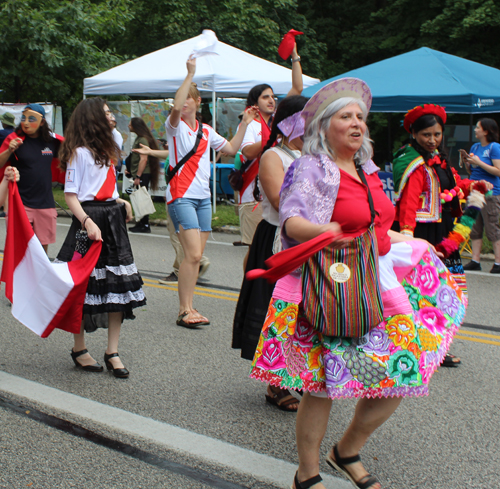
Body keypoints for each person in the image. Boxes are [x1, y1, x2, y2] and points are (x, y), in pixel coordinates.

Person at [249, 79, 467, 489]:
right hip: (330, 283)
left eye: (360, 118)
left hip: (376, 281)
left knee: (404, 372)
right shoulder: (311, 166)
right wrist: (324, 230)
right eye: (346, 117)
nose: (356, 124)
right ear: (325, 126)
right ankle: (307, 473)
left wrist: (411, 241)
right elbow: (292, 221)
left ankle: (346, 450)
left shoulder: (368, 168)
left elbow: (377, 225)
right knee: (322, 385)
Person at [162, 56, 257, 327]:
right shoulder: (175, 126)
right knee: (192, 255)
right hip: (181, 196)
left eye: (190, 98)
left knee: (194, 258)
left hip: (203, 198)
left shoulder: (205, 131)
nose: (183, 103)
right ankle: (184, 310)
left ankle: (189, 306)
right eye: (182, 100)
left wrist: (245, 125)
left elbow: (230, 148)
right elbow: (176, 105)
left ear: (198, 102)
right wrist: (189, 75)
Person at [391, 104, 488, 367]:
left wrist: (475, 186)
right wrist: (408, 239)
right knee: (423, 293)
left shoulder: (441, 159)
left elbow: (454, 187)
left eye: (437, 134)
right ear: (414, 134)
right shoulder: (411, 162)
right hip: (422, 235)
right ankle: (425, 346)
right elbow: (408, 204)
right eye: (426, 135)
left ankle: (437, 344)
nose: (432, 140)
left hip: (445, 233)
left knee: (450, 290)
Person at [56, 98, 146, 378]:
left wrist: (122, 199)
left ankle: (113, 351)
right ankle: (79, 348)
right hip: (87, 224)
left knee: (117, 285)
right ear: (94, 117)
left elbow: (104, 186)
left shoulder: (110, 147)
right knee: (82, 284)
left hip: (112, 220)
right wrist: (87, 221)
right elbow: (71, 195)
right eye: (106, 113)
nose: (111, 117)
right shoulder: (79, 153)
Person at [232, 95, 307, 412]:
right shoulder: (273, 156)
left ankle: (299, 372)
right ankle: (275, 383)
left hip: (308, 240)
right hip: (279, 239)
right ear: (290, 122)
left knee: (306, 311)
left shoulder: (313, 155)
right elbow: (280, 202)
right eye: (307, 118)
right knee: (279, 310)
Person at [236, 44, 304, 268]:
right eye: (266, 97)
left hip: (274, 190)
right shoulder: (252, 123)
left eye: (273, 97)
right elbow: (246, 152)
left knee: (271, 247)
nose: (271, 100)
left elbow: (297, 88)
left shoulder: (276, 123)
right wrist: (272, 137)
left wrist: (294, 57)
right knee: (256, 247)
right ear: (254, 102)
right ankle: (249, 287)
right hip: (253, 194)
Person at [0, 104, 61, 253]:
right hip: (20, 204)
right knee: (20, 248)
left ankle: (39, 277)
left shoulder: (52, 142)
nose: (26, 123)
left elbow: (70, 157)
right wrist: (9, 150)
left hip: (46, 204)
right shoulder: (14, 140)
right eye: (23, 118)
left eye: (31, 119)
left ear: (42, 122)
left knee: (41, 250)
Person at [461, 118, 500, 273]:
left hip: (491, 193)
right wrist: (468, 162)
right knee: (474, 227)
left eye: (478, 127)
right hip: (474, 190)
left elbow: (498, 171)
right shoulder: (475, 146)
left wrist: (479, 162)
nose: (475, 130)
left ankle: (498, 262)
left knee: (492, 227)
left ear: (486, 131)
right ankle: (475, 260)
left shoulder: (494, 147)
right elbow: (473, 171)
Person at [126, 117, 160, 233]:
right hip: (139, 173)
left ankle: (144, 224)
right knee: (139, 198)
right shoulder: (140, 138)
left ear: (136, 126)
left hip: (143, 174)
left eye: (130, 125)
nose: (128, 126)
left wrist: (138, 176)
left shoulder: (143, 140)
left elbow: (143, 159)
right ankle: (141, 223)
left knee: (142, 198)